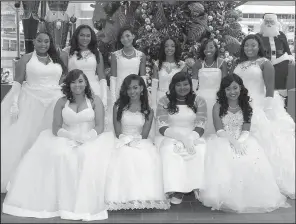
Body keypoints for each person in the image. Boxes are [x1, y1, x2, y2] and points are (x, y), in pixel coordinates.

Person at [2, 69, 114, 221]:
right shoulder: (61, 102)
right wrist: (71, 136)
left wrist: (86, 137)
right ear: (68, 84)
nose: (77, 85)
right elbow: (56, 127)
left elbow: (100, 126)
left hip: (91, 137)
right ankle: (59, 202)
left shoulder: (95, 100)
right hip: (66, 136)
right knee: (60, 154)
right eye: (73, 82)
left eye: (80, 81)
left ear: (86, 82)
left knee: (85, 156)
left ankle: (81, 203)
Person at [199, 74, 289, 213]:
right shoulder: (218, 106)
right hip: (224, 139)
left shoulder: (246, 106)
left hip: (243, 138)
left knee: (250, 159)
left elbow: (246, 128)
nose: (232, 92)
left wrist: (240, 142)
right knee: (225, 160)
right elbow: (219, 129)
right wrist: (233, 142)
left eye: (235, 88)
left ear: (241, 88)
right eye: (228, 89)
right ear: (223, 91)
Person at [1, 31, 67, 193]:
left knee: (52, 138)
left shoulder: (58, 58)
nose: (43, 44)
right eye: (39, 41)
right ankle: (23, 179)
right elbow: (17, 82)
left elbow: (64, 77)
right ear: (34, 41)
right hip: (30, 101)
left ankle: (50, 178)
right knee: (27, 139)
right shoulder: (26, 59)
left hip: (53, 101)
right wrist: (15, 103)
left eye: (46, 41)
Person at [233, 34, 295, 199]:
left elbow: (270, 87)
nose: (249, 49)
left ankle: (268, 181)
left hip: (259, 104)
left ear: (259, 46)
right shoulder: (239, 64)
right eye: (246, 46)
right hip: (238, 104)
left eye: (253, 45)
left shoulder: (265, 63)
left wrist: (267, 109)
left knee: (264, 141)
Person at [105, 74, 170, 210]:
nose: (132, 91)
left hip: (140, 141)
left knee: (142, 157)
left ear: (142, 88)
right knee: (123, 156)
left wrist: (134, 141)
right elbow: (117, 131)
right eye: (129, 88)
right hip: (121, 139)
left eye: (135, 87)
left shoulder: (148, 110)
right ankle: (121, 197)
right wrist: (125, 140)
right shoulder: (118, 107)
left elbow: (144, 134)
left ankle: (141, 196)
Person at [155, 71, 207, 205]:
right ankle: (177, 189)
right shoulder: (164, 101)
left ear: (191, 85)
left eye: (186, 84)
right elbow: (162, 126)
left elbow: (201, 125)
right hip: (170, 135)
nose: (183, 88)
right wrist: (181, 138)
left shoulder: (199, 101)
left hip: (193, 135)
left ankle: (197, 186)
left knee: (200, 150)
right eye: (178, 85)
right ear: (173, 86)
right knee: (169, 152)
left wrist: (189, 139)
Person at [62, 24, 108, 129]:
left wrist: (104, 97)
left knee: (92, 120)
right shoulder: (67, 52)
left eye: (88, 35)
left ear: (91, 38)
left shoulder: (96, 53)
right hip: (73, 88)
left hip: (93, 89)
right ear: (76, 36)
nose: (85, 38)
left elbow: (102, 76)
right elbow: (63, 75)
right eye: (82, 35)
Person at [192, 39, 227, 138]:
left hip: (217, 98)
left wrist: (223, 99)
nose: (208, 50)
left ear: (216, 49)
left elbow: (225, 83)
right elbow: (193, 83)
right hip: (201, 98)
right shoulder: (198, 64)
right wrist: (192, 99)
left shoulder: (222, 63)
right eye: (205, 48)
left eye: (211, 47)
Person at [256, 13, 295, 100]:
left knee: (283, 78)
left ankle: (282, 99)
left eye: (271, 22)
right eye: (267, 21)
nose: (269, 24)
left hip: (280, 62)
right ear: (263, 23)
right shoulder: (258, 36)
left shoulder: (281, 35)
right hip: (264, 63)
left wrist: (291, 58)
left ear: (276, 23)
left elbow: (287, 50)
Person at [110, 26, 147, 106]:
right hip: (119, 90)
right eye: (122, 37)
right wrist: (113, 97)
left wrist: (143, 93)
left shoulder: (141, 55)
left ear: (133, 36)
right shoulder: (115, 55)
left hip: (135, 90)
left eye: (127, 36)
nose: (125, 39)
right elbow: (113, 78)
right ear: (120, 39)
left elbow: (143, 77)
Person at [151, 37, 187, 111]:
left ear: (176, 48)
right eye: (166, 46)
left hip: (177, 100)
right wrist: (153, 106)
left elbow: (185, 87)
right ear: (163, 48)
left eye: (172, 46)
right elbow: (154, 87)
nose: (169, 48)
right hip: (160, 99)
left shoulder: (182, 65)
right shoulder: (157, 65)